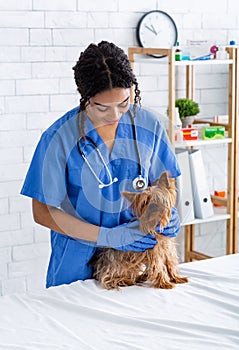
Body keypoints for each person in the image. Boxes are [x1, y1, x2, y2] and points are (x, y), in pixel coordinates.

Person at [21, 41, 181, 288]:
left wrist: (168, 214)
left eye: (124, 103)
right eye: (103, 107)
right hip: (76, 267)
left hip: (137, 264)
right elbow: (42, 212)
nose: (115, 115)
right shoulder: (58, 138)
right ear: (86, 98)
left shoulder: (149, 125)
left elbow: (165, 180)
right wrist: (108, 236)